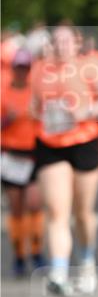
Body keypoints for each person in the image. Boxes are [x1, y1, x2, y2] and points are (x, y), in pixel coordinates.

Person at [30, 24, 98, 294]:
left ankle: (87, 262)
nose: (60, 47)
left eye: (66, 41)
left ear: (77, 43)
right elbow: (34, 107)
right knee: (56, 210)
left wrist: (87, 110)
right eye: (56, 42)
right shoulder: (39, 70)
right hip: (50, 144)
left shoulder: (90, 66)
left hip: (84, 142)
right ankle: (58, 271)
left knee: (82, 213)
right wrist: (47, 117)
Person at [1, 49, 44, 274]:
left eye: (25, 67)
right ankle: (19, 255)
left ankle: (37, 251)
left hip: (33, 155)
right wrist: (8, 119)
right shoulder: (3, 93)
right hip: (10, 156)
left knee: (35, 205)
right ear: (13, 68)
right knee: (17, 210)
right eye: (18, 67)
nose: (21, 71)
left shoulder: (37, 93)